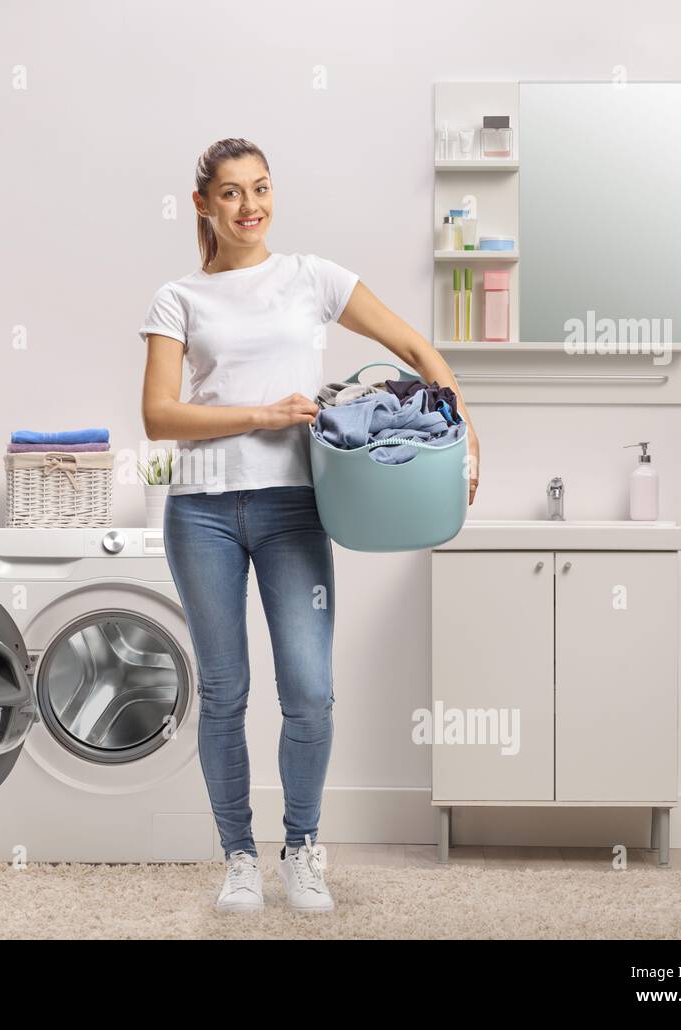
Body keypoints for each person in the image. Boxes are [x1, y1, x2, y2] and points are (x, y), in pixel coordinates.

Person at [138, 138, 480, 912]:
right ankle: (237, 859)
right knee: (225, 694)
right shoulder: (178, 298)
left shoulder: (311, 278)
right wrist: (263, 413)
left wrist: (467, 430)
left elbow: (417, 349)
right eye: (230, 193)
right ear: (203, 205)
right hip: (202, 511)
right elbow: (159, 416)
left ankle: (300, 849)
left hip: (295, 507)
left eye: (260, 189)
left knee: (311, 694)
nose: (249, 206)